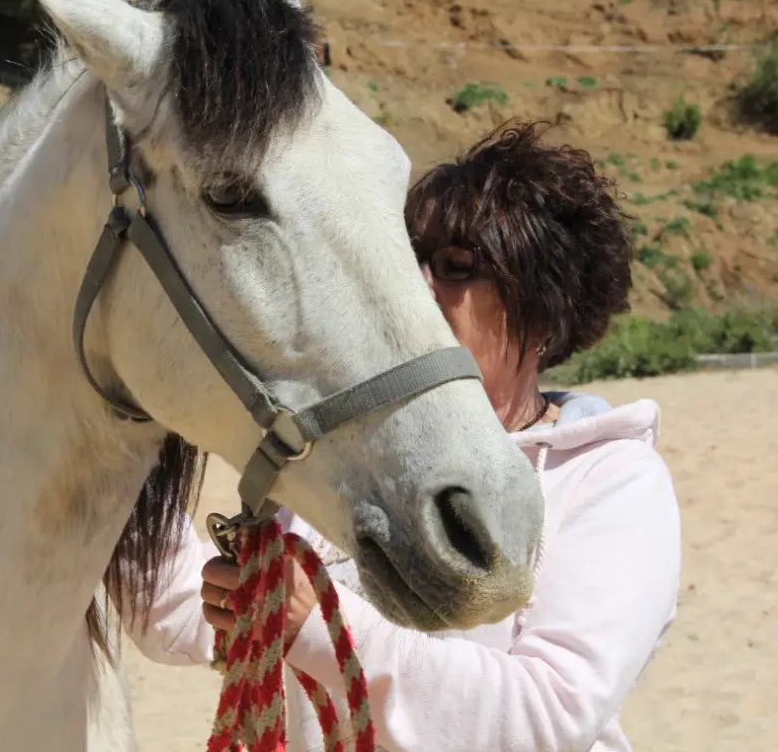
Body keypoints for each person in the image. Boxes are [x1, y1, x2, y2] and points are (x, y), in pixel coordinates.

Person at [130, 120, 683, 752]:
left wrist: (315, 623)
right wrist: (120, 453)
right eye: (407, 259)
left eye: (455, 267)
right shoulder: (363, 452)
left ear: (544, 308)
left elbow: (547, 716)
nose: (416, 286)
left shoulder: (611, 481)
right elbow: (182, 619)